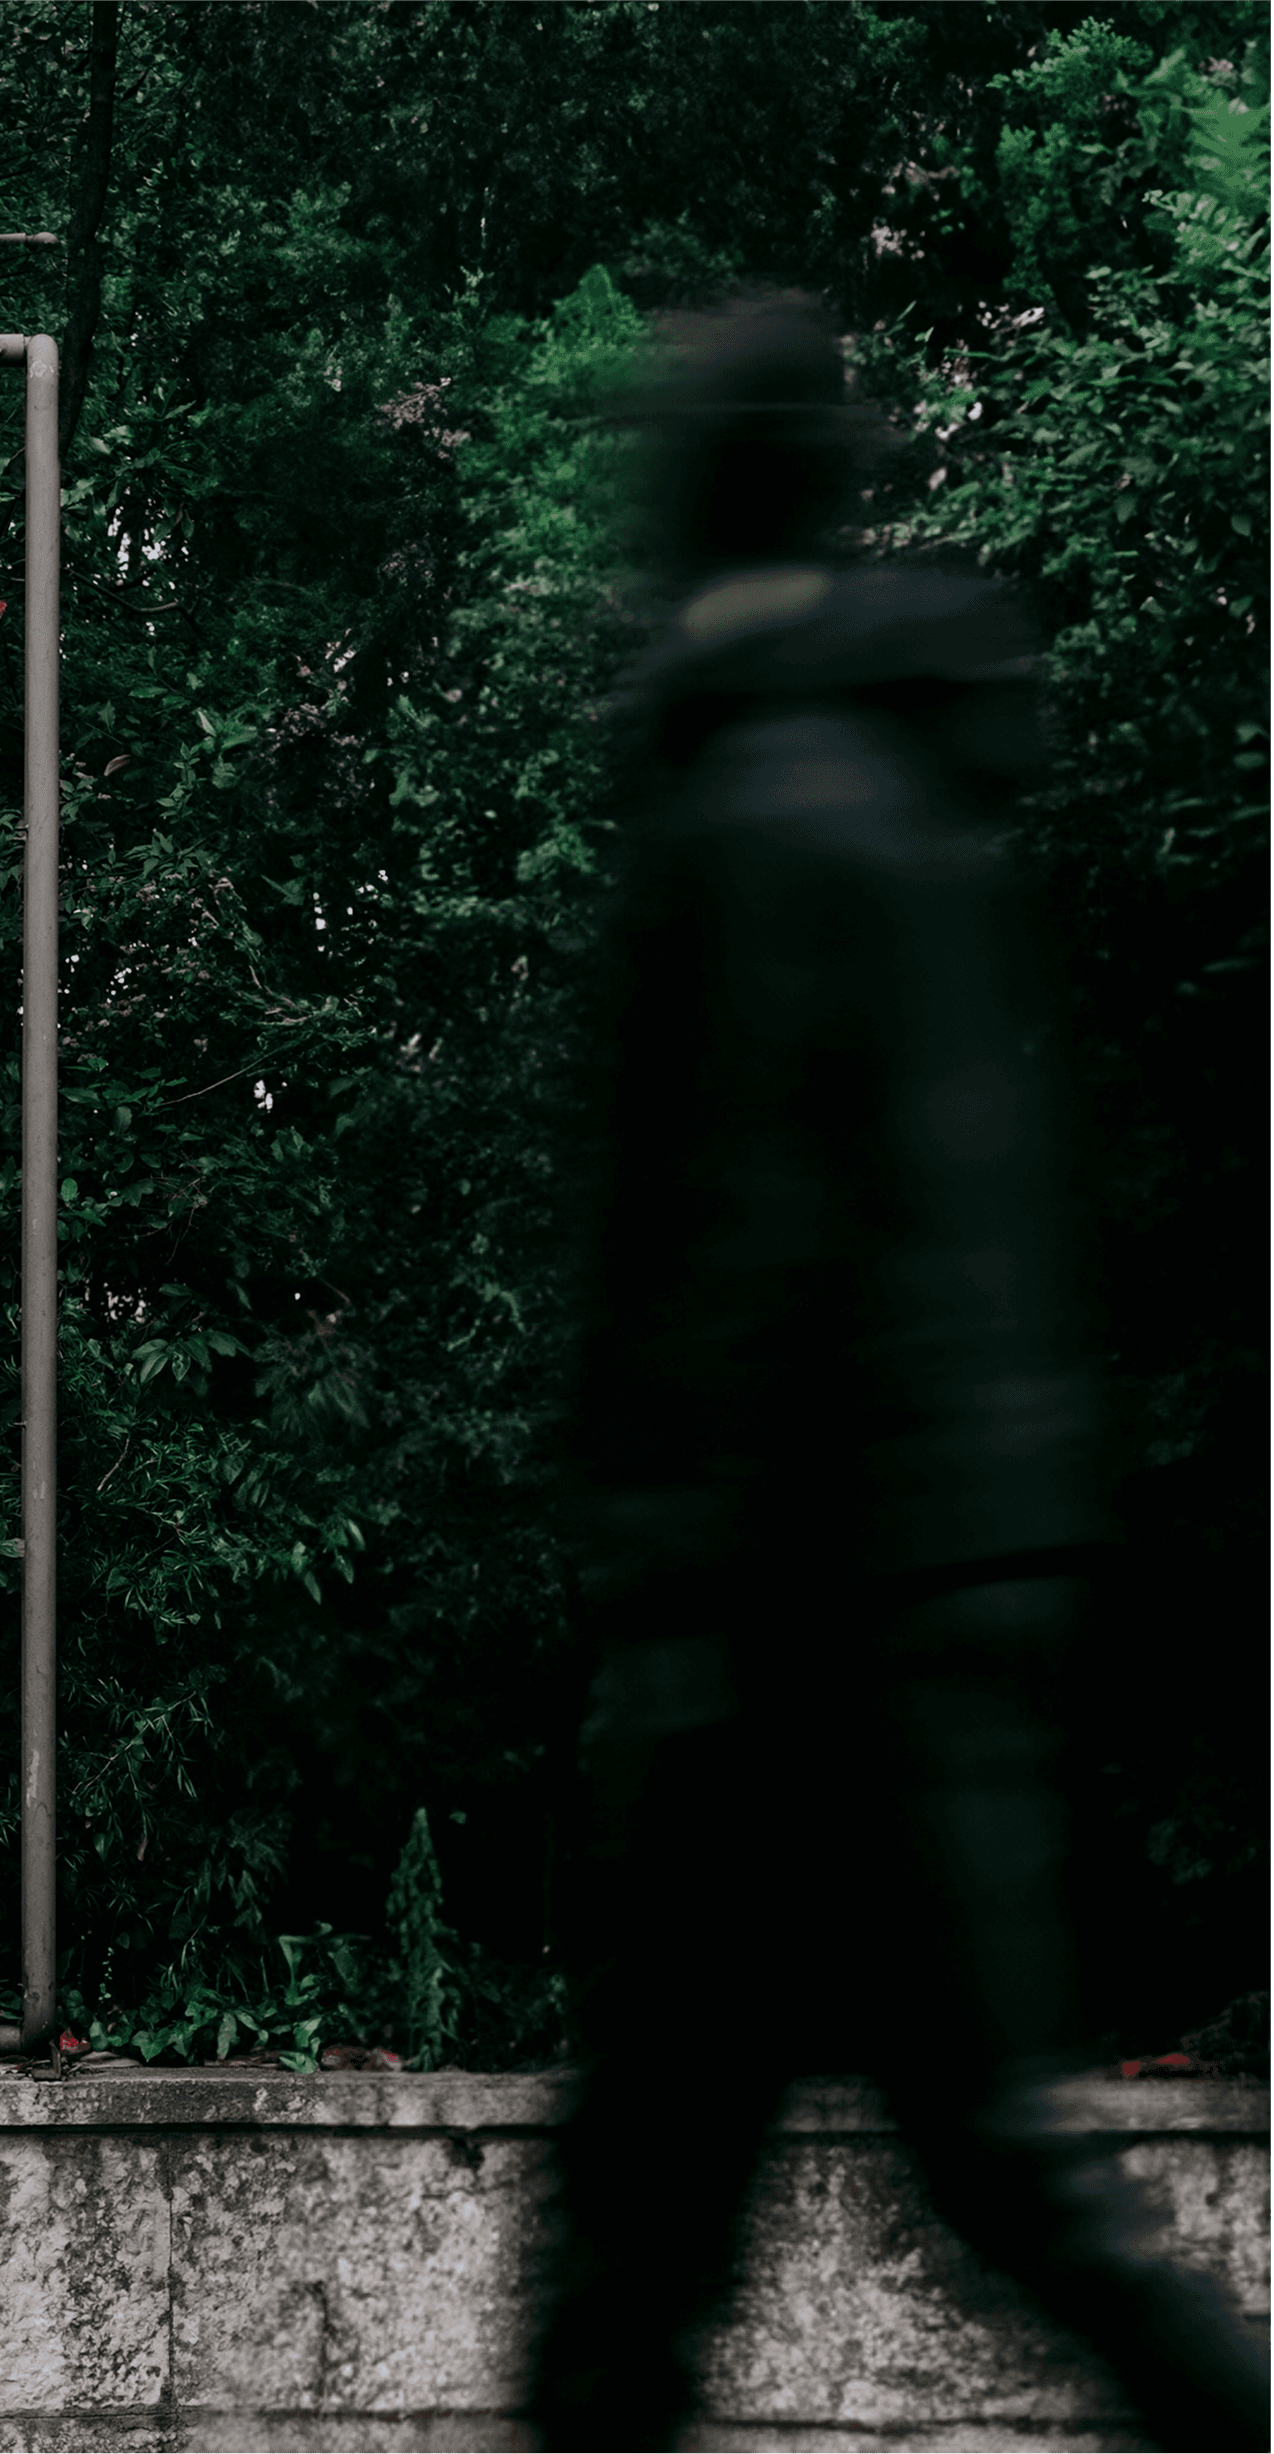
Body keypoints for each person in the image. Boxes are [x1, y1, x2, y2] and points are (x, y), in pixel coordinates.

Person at [525, 299, 1270, 2450]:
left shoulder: (764, 801)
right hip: (935, 1593)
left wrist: (671, 1601)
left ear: (690, 499)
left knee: (651, 2235)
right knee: (987, 2179)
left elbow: (745, 1249)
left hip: (789, 1629)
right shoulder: (907, 788)